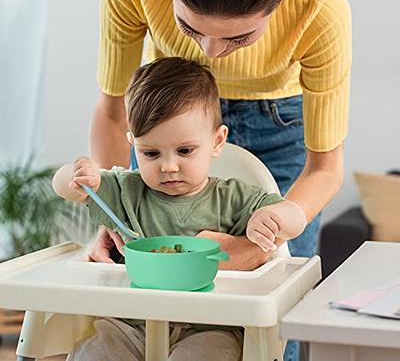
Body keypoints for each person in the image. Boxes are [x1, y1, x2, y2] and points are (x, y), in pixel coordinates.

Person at [89, 0, 351, 359]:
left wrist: (263, 244)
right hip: (168, 119)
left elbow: (325, 167)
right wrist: (115, 214)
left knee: (278, 297)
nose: (210, 54)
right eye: (189, 28)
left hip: (280, 122)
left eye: (241, 36)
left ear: (280, 2)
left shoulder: (317, 3)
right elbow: (113, 113)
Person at [53, 57, 307, 361]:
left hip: (210, 327)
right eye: (150, 152)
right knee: (93, 354)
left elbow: (296, 218)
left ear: (217, 141)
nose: (168, 166)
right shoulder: (125, 189)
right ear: (133, 144)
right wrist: (78, 175)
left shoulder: (233, 196)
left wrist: (274, 219)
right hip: (131, 324)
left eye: (185, 151)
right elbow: (63, 186)